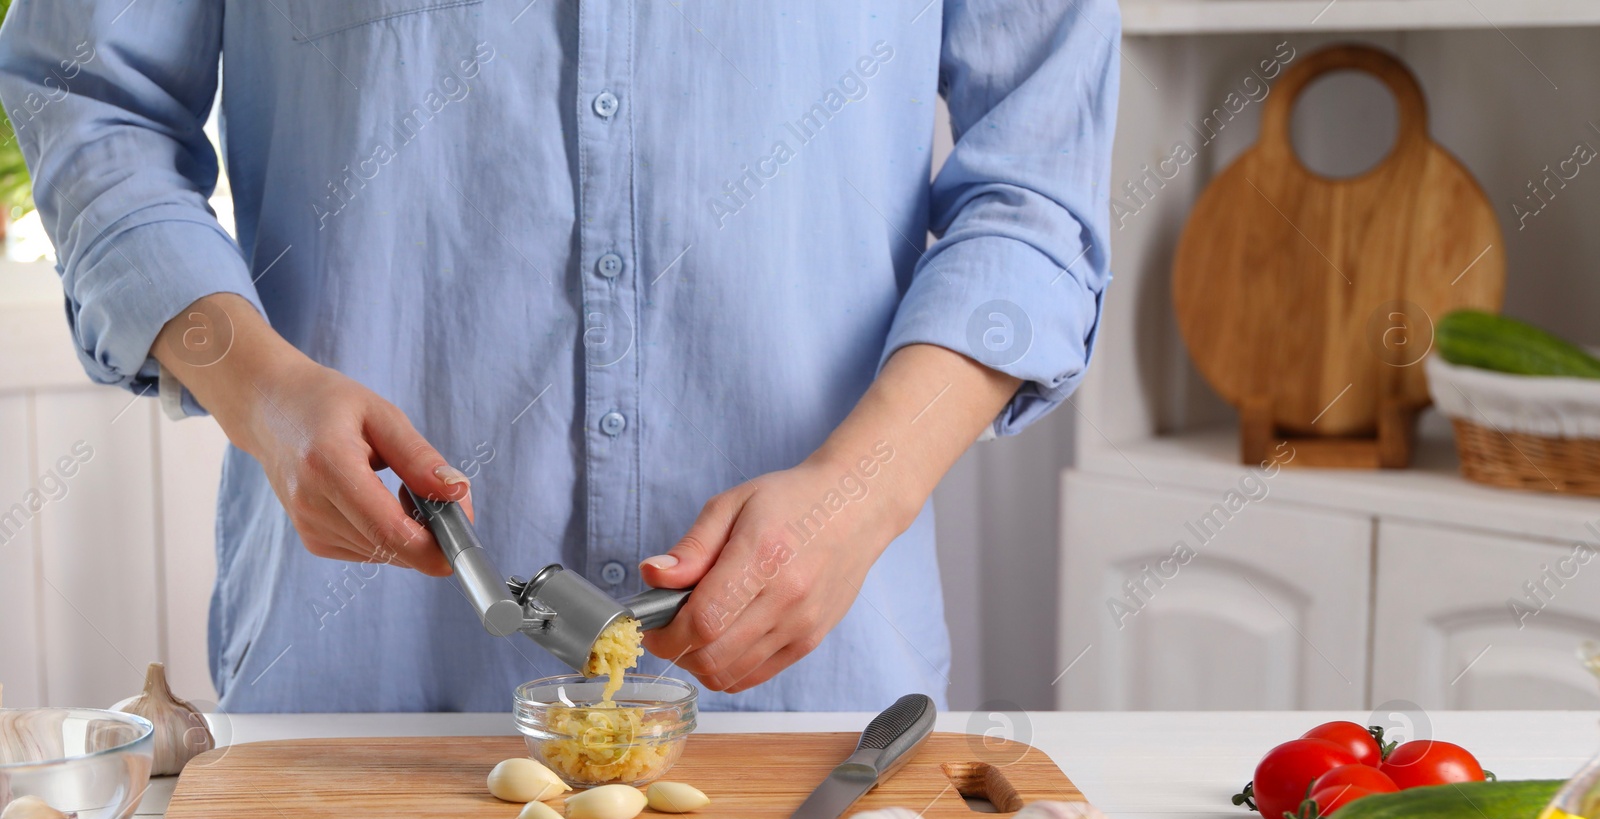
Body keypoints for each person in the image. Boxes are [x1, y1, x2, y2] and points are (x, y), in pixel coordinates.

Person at [0, 1, 1117, 713]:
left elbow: (1036, 193)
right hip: (355, 700)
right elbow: (91, 107)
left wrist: (863, 490)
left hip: (810, 712)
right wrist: (259, 389)